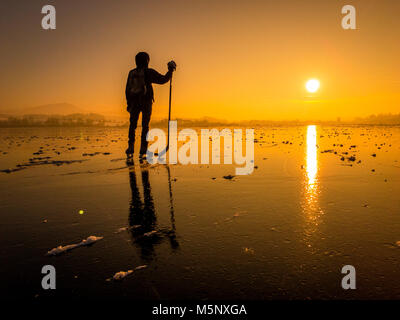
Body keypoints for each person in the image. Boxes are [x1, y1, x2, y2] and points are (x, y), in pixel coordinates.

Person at [125, 52, 176, 157]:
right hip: (146, 101)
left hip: (134, 102)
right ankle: (143, 148)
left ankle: (130, 147)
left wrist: (129, 103)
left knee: (132, 125)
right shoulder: (148, 72)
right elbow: (163, 80)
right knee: (145, 125)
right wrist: (170, 70)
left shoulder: (132, 73)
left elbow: (127, 89)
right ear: (147, 61)